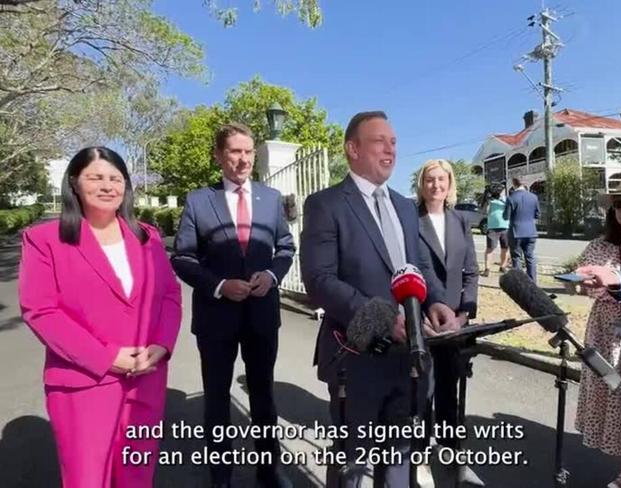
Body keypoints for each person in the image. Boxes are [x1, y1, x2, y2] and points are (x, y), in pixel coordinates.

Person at [300, 111, 457, 487]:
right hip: (355, 359)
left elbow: (415, 264)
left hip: (408, 358)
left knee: (399, 457)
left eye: (394, 142)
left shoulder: (404, 205)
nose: (390, 149)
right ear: (352, 149)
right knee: (352, 462)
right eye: (379, 141)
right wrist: (383, 318)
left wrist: (435, 299)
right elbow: (319, 279)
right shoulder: (326, 204)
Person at [18, 146, 182, 488]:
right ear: (75, 183)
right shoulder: (44, 240)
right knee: (88, 478)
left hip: (145, 377)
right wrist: (108, 357)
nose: (107, 186)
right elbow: (41, 311)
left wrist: (162, 345)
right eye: (96, 177)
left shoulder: (147, 238)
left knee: (137, 475)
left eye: (115, 178)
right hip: (84, 383)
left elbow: (169, 294)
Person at [171, 123, 295, 488]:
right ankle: (221, 475)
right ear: (219, 156)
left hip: (261, 316)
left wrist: (272, 276)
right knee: (217, 400)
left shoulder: (270, 199)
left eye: (248, 151)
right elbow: (182, 258)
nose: (243, 159)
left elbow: (286, 248)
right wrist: (221, 285)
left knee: (262, 397)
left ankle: (268, 470)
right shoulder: (198, 200)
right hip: (216, 319)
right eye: (235, 152)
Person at [567, 174, 621, 488]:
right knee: (619, 404)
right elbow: (586, 285)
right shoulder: (599, 245)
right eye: (619, 203)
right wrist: (582, 283)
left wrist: (616, 285)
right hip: (607, 336)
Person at [414, 159, 480, 480]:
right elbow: (409, 274)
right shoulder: (411, 221)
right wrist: (422, 313)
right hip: (424, 322)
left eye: (441, 179)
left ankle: (453, 453)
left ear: (450, 183)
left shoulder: (460, 221)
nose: (436, 185)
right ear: (421, 184)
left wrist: (464, 314)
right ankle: (422, 456)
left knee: (448, 391)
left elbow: (471, 272)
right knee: (423, 392)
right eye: (430, 179)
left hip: (455, 324)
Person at [503, 176, 540, 282]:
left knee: (516, 257)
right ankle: (532, 281)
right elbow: (538, 214)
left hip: (516, 231)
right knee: (530, 257)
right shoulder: (533, 197)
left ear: (514, 184)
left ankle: (519, 282)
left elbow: (506, 216)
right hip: (531, 231)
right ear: (524, 184)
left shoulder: (511, 198)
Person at [482, 184, 509, 277]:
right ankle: (487, 268)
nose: (504, 192)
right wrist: (487, 201)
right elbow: (484, 211)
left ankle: (503, 266)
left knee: (505, 248)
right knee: (490, 248)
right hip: (492, 228)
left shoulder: (506, 199)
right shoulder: (490, 201)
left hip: (505, 226)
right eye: (502, 190)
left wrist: (502, 199)